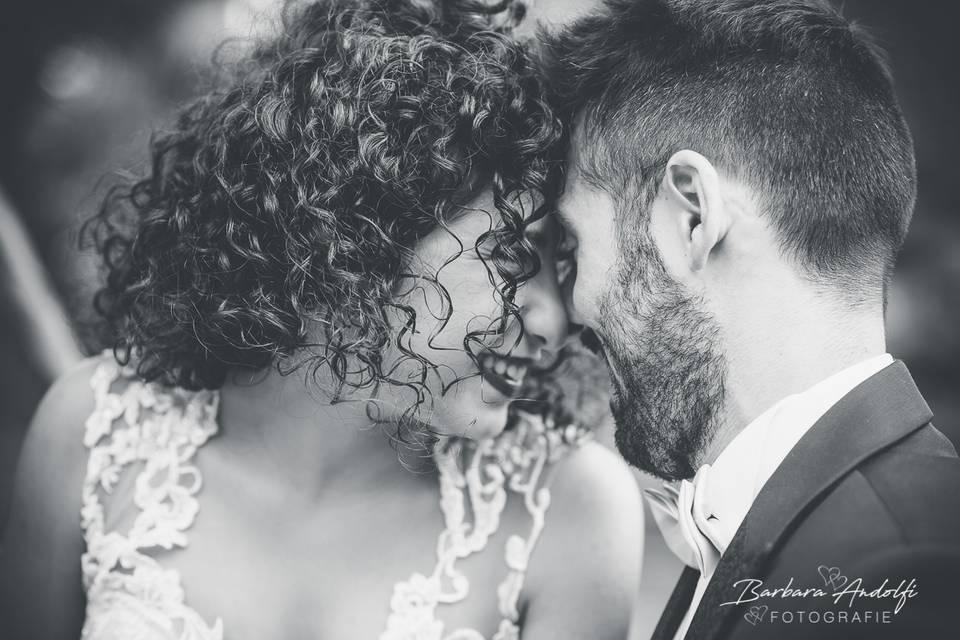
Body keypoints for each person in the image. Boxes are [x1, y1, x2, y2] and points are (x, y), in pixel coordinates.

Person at [0, 2, 643, 639]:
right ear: (363, 229)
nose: (555, 322)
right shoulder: (93, 435)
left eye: (564, 268)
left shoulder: (570, 513)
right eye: (513, 254)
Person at [545, 0, 960, 638]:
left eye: (574, 249)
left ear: (691, 215)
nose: (570, 309)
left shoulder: (900, 571)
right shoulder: (789, 517)